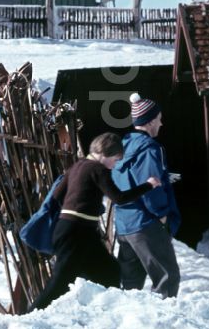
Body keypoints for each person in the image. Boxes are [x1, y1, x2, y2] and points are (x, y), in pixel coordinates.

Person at [28, 131, 160, 311]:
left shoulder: (77, 166)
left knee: (110, 270)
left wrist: (85, 204)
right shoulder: (98, 169)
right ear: (105, 154)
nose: (115, 166)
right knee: (60, 281)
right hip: (76, 232)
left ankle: (104, 312)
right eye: (115, 160)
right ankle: (31, 315)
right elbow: (119, 198)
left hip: (75, 231)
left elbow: (57, 195)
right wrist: (149, 185)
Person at [111, 92, 182, 298]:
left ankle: (133, 324)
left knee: (130, 284)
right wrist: (162, 213)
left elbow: (125, 179)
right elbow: (150, 183)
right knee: (167, 278)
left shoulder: (123, 146)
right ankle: (164, 324)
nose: (161, 123)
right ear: (150, 121)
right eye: (159, 119)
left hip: (125, 224)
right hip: (146, 223)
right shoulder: (150, 148)